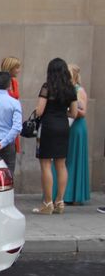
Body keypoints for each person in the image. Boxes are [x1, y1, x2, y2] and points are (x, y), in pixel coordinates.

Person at [32, 58, 78, 215]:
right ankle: (60, 201)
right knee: (61, 164)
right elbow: (74, 113)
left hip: (48, 127)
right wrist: (61, 113)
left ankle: (48, 202)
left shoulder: (47, 87)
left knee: (46, 164)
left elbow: (39, 111)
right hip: (63, 127)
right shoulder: (71, 89)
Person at [52, 63, 90, 204]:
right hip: (66, 126)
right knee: (64, 161)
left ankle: (73, 196)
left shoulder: (79, 90)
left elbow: (83, 112)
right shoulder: (65, 89)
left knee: (73, 160)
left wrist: (67, 109)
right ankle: (63, 194)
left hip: (76, 127)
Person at [0, 56, 23, 153]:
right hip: (0, 123)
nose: (19, 70)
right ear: (10, 68)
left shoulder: (14, 82)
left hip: (12, 122)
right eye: (17, 67)